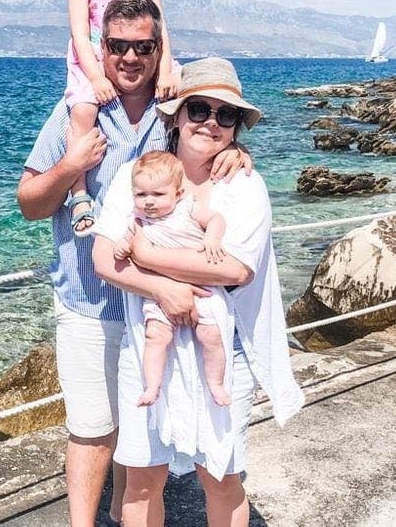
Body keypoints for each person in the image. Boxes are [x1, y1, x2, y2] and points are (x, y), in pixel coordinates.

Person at [17, 0, 247, 526]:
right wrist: (68, 167)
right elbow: (29, 203)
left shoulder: (172, 111)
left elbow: (206, 136)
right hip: (88, 300)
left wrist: (233, 152)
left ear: (158, 47)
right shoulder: (76, 113)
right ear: (101, 47)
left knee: (138, 439)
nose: (129, 58)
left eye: (143, 46)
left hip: (156, 312)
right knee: (93, 430)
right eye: (117, 46)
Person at [92, 56, 304, 526]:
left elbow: (234, 269)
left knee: (220, 476)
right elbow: (103, 260)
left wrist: (146, 257)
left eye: (225, 115)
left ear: (235, 128)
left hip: (224, 349)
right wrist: (162, 289)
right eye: (199, 109)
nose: (211, 122)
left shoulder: (243, 185)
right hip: (149, 345)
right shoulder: (140, 178)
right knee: (143, 477)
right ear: (177, 114)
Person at [63, 0, 179, 238]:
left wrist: (164, 72)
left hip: (144, 54)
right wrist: (96, 79)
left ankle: (178, 183)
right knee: (82, 112)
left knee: (184, 94)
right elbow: (80, 33)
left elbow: (162, 29)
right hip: (91, 61)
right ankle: (79, 193)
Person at [112, 150, 232, 408]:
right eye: (141, 195)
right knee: (155, 336)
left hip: (201, 287)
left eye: (158, 194)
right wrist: (122, 246)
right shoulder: (137, 220)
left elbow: (216, 219)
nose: (149, 202)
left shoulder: (187, 209)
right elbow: (125, 240)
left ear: (178, 194)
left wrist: (211, 237)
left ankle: (216, 382)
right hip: (159, 292)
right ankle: (152, 386)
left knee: (211, 336)